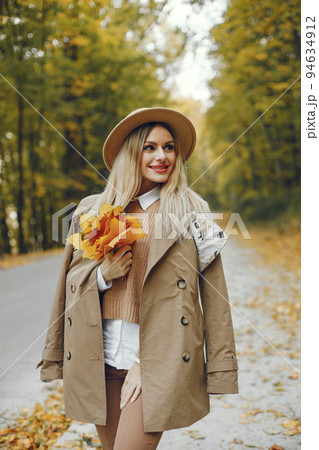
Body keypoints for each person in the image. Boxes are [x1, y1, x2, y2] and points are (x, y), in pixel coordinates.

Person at [37, 107, 239, 450]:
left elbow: (214, 298)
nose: (162, 156)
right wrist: (102, 275)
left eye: (169, 147)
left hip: (154, 359)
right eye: (150, 147)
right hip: (97, 358)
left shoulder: (192, 212)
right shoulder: (91, 210)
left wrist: (156, 363)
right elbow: (69, 287)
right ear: (132, 153)